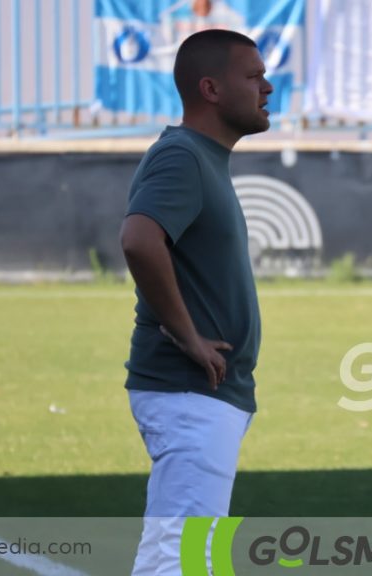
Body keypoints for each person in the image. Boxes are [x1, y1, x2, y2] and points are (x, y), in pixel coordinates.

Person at [119, 29, 273, 576]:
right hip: (188, 393)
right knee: (178, 561)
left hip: (204, 396)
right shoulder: (183, 155)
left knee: (180, 557)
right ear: (210, 88)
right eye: (253, 77)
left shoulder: (203, 157)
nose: (268, 87)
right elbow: (139, 239)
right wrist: (186, 333)